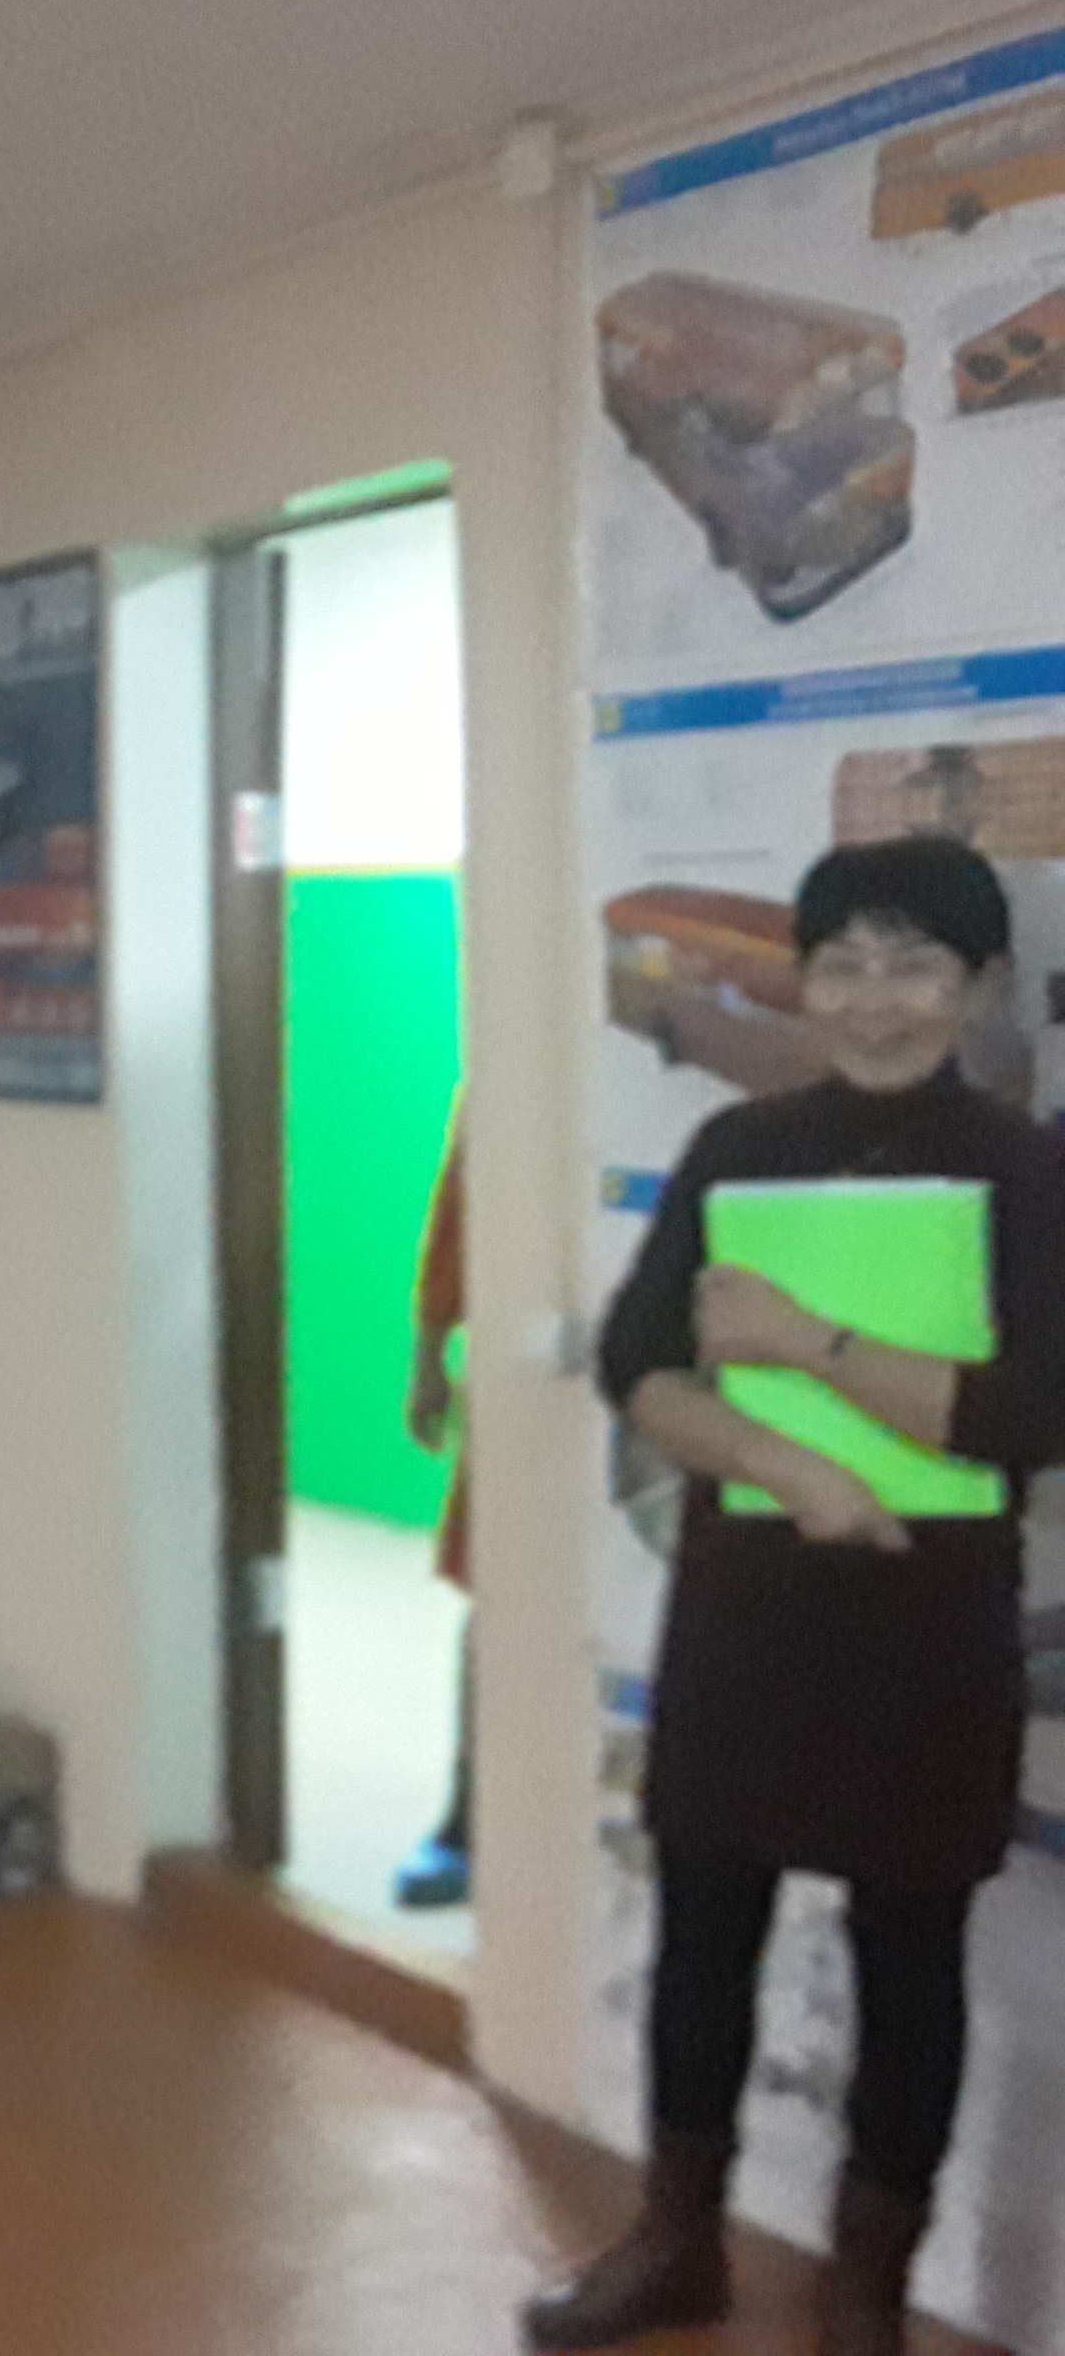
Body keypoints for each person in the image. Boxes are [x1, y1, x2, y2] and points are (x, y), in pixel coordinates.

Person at [528, 836, 1065, 2356]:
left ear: (980, 987)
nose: (875, 1000)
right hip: (748, 1608)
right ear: (802, 980)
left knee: (910, 1957)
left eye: (915, 967)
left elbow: (1028, 1418)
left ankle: (867, 2293)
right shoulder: (738, 1148)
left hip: (928, 1620)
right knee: (704, 1927)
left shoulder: (1028, 1170)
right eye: (843, 965)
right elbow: (639, 1365)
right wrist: (788, 1464)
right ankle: (677, 2242)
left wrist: (800, 1342)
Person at [396, 1123, 474, 1909]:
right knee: (495, 1605)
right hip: (527, 1381)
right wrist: (428, 1359)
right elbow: (457, 1218)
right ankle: (465, 1823)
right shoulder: (504, 1086)